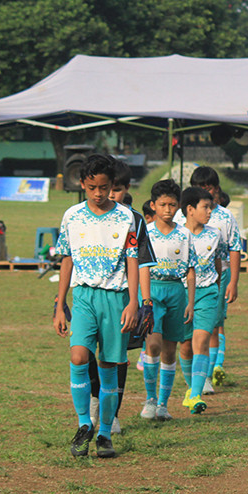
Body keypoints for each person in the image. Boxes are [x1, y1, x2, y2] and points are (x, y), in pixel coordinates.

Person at [52, 154, 140, 459]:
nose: (98, 193)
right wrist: (60, 303)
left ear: (113, 185)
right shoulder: (72, 216)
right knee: (78, 355)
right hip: (85, 296)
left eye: (104, 187)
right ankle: (83, 425)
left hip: (116, 299)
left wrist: (133, 302)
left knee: (107, 367)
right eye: (92, 187)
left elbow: (133, 260)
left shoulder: (126, 217)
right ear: (82, 184)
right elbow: (67, 259)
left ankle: (104, 433)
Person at [86, 159, 156, 433]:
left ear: (126, 189)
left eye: (114, 189)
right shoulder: (88, 216)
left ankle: (112, 413)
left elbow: (144, 262)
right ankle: (94, 401)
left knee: (118, 357)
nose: (107, 194)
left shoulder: (134, 221)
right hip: (91, 297)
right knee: (86, 351)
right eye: (104, 188)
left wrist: (144, 303)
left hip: (124, 300)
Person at [175, 167, 243, 396]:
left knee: (210, 329)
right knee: (185, 341)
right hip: (181, 285)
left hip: (213, 280)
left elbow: (233, 249)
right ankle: (194, 380)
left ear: (216, 189)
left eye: (209, 188)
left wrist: (232, 280)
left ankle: (207, 376)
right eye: (200, 188)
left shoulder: (223, 217)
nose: (205, 193)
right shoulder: (178, 219)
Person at [138, 179, 195, 421]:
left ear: (179, 206)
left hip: (176, 291)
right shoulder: (146, 232)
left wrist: (190, 302)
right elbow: (139, 265)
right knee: (152, 344)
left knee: (170, 349)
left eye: (172, 205)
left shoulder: (184, 234)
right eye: (162, 205)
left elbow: (191, 269)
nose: (168, 210)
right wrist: (145, 299)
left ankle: (163, 404)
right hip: (151, 289)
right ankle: (150, 399)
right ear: (153, 205)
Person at [179, 187, 221, 415]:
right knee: (185, 347)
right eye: (205, 207)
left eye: (211, 207)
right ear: (190, 209)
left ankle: (195, 395)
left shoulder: (214, 234)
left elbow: (217, 263)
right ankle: (191, 387)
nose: (209, 212)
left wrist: (218, 288)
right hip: (181, 294)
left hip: (207, 292)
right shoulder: (177, 234)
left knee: (201, 340)